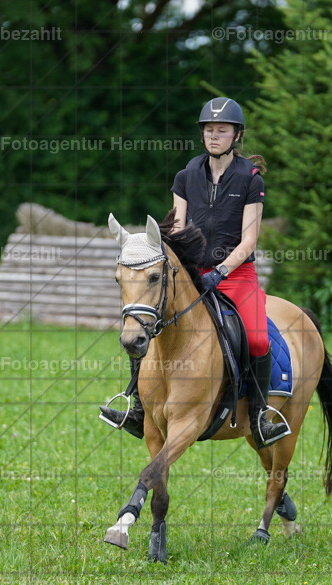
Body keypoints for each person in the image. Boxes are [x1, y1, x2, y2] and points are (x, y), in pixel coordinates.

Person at [101, 96, 291, 450]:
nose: (214, 136)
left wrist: (220, 271)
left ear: (237, 135)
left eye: (222, 130)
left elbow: (249, 240)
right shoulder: (186, 175)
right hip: (191, 273)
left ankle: (259, 417)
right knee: (145, 323)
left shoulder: (250, 179)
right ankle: (138, 407)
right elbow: (176, 228)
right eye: (209, 130)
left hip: (236, 275)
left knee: (257, 339)